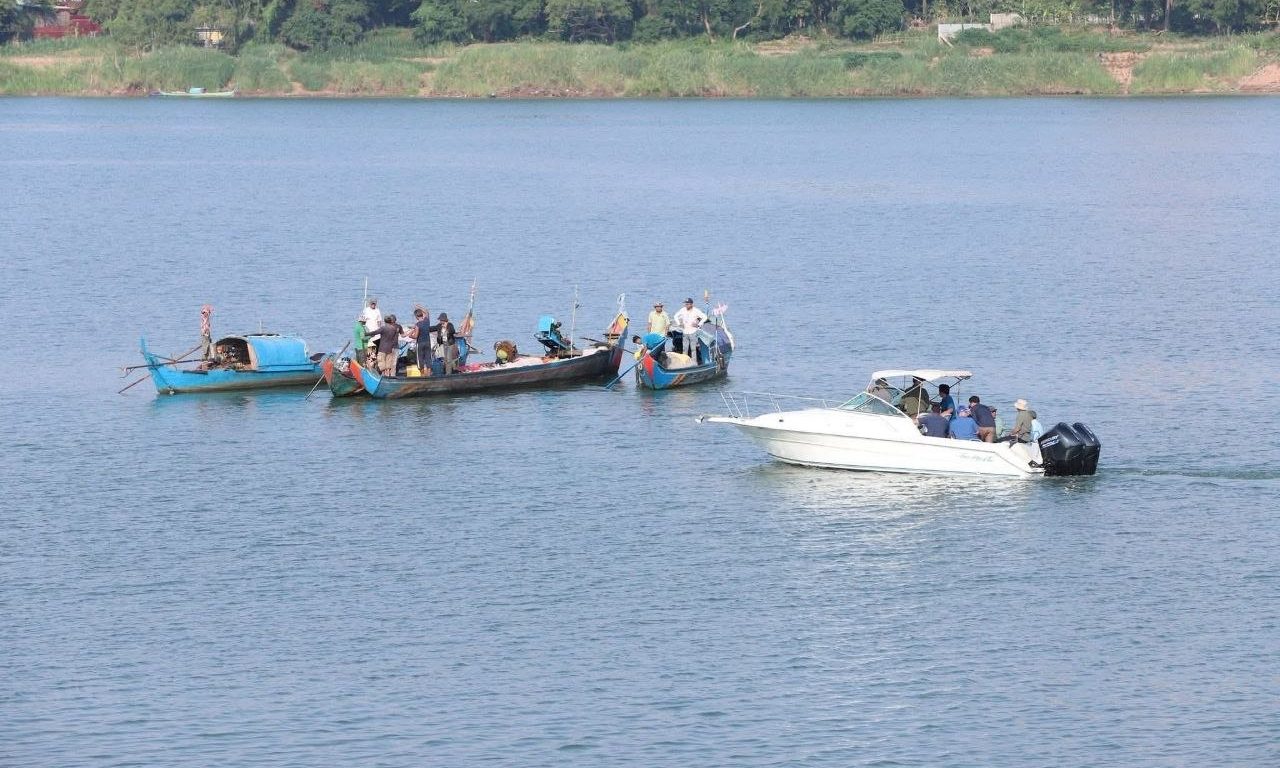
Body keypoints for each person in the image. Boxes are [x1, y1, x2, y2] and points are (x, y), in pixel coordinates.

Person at [412, 308, 433, 372]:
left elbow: (415, 336)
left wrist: (410, 336)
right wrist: (420, 307)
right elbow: (427, 312)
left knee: (420, 358)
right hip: (427, 342)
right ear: (422, 314)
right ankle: (429, 373)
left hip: (420, 343)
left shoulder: (417, 325)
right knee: (428, 357)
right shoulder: (427, 321)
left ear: (416, 316)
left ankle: (422, 374)